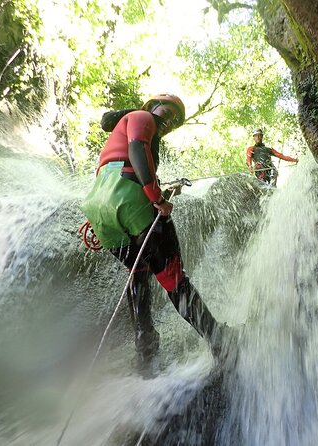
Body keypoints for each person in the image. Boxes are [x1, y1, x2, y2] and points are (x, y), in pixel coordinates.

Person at [80, 94, 225, 363]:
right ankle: (220, 342)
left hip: (102, 214)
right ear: (152, 106)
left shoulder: (118, 136)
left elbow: (117, 170)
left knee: (140, 272)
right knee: (173, 280)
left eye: (176, 120)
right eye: (168, 111)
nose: (171, 120)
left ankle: (145, 346)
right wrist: (158, 198)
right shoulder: (142, 117)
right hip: (130, 200)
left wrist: (161, 193)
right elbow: (137, 151)